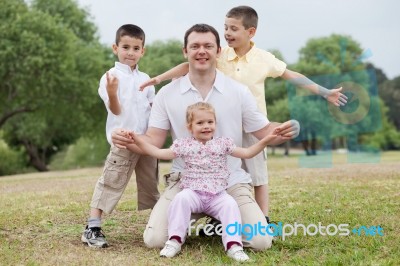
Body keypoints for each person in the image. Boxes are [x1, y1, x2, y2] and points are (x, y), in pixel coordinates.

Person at [139, 6, 347, 225]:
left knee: (257, 174)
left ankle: (263, 218)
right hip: (223, 123)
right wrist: (158, 79)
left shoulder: (264, 58)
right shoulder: (221, 54)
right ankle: (218, 217)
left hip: (255, 124)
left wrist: (324, 92)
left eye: (234, 29)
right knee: (217, 167)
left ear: (251, 32)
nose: (228, 33)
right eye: (225, 28)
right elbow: (186, 65)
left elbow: (291, 75)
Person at [112, 23, 300, 251]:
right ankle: (205, 222)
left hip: (230, 181)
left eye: (208, 46)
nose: (202, 51)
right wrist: (132, 139)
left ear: (218, 51)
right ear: (185, 52)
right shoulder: (167, 94)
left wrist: (286, 129)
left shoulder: (238, 91)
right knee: (155, 240)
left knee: (260, 242)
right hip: (185, 182)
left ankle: (224, 218)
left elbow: (265, 130)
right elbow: (154, 140)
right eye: (195, 46)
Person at [128, 102, 285, 261]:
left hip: (217, 195)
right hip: (193, 193)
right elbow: (158, 152)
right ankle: (175, 240)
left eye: (210, 122)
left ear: (215, 124)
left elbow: (247, 152)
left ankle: (233, 245)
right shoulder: (185, 145)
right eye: (200, 123)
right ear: (190, 127)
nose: (206, 126)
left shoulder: (223, 143)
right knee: (181, 199)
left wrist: (265, 141)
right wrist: (136, 140)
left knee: (230, 204)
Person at [81, 24, 159, 248]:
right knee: (111, 182)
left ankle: (161, 225)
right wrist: (113, 93)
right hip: (123, 141)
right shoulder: (110, 77)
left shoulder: (146, 78)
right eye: (125, 47)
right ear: (116, 48)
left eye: (136, 48)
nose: (130, 52)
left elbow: (153, 110)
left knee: (150, 185)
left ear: (143, 51)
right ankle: (92, 227)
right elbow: (114, 110)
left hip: (145, 142)